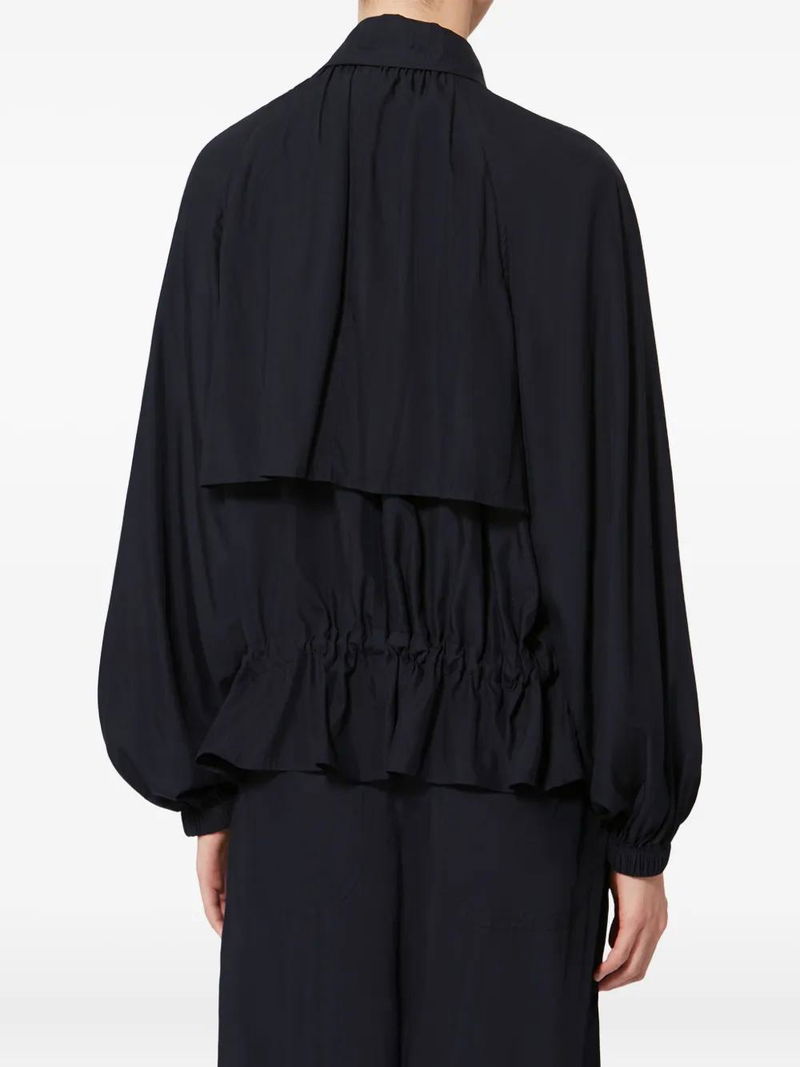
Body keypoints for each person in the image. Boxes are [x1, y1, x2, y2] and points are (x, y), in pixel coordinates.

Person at [98, 1, 702, 1063]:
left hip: (293, 787)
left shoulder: (235, 175)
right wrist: (637, 826)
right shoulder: (572, 187)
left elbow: (175, 509)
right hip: (516, 791)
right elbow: (615, 535)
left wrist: (208, 783)